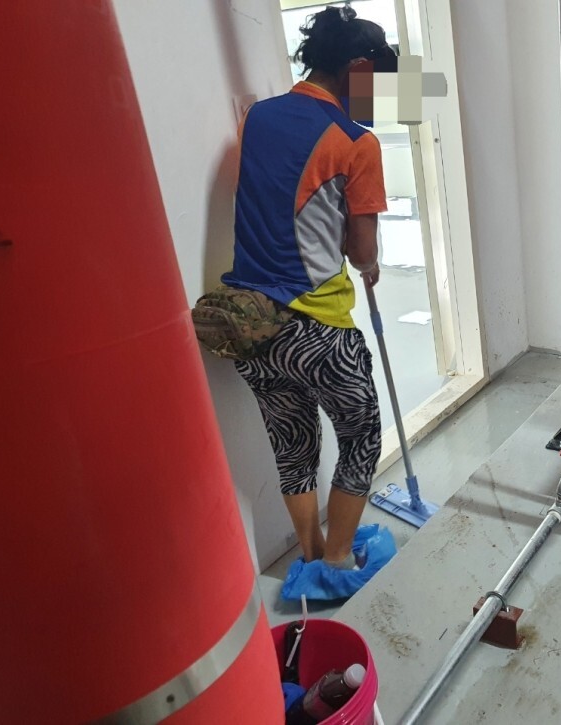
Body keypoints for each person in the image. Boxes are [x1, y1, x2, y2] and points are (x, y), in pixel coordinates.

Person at [222, 6, 395, 596]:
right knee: (361, 433)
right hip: (315, 326)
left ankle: (311, 555)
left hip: (248, 323)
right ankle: (339, 560)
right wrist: (370, 263)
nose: (375, 99)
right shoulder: (357, 141)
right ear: (357, 67)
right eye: (375, 83)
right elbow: (360, 250)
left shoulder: (258, 117)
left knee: (293, 442)